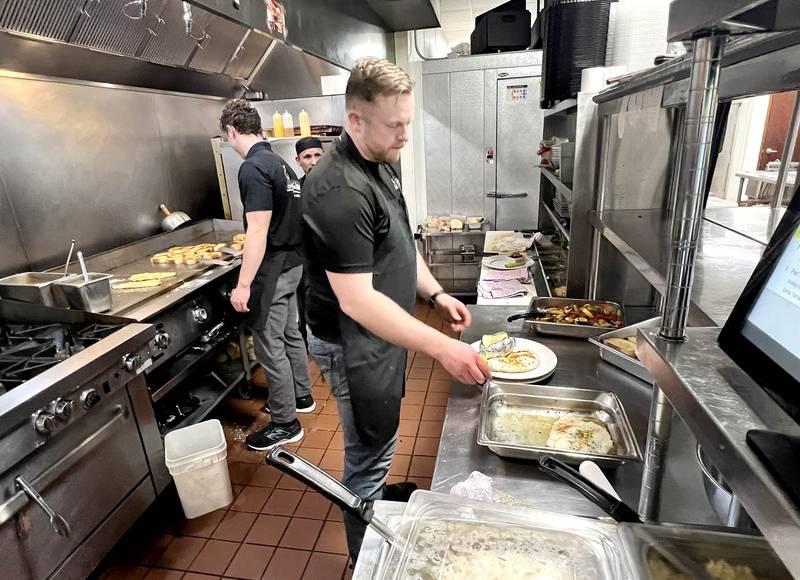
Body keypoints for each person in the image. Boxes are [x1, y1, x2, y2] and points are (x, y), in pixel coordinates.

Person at [302, 58, 491, 561]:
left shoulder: (379, 162)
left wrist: (436, 294)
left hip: (378, 332)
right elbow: (357, 299)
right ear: (356, 120)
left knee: (380, 439)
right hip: (352, 340)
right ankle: (369, 559)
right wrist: (441, 347)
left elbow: (400, 246)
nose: (405, 134)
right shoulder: (339, 189)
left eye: (409, 121)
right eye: (395, 125)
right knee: (367, 453)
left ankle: (379, 492)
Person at [219, 99, 314, 450]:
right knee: (290, 333)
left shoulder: (253, 166)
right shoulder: (281, 164)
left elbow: (257, 229)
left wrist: (243, 285)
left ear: (231, 131)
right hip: (293, 263)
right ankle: (302, 397)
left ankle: (286, 423)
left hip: (273, 269)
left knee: (269, 343)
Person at [293, 136, 325, 346]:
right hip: (307, 263)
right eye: (307, 157)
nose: (313, 161)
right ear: (298, 160)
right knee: (306, 306)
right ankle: (310, 346)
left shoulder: (338, 185)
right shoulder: (296, 191)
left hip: (336, 261)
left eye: (317, 155)